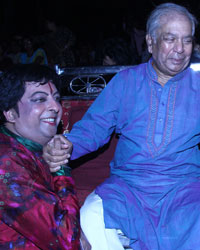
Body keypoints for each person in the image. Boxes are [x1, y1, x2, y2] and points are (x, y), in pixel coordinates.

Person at [43, 3, 200, 250]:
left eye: (187, 40)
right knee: (90, 219)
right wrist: (67, 145)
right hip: (128, 188)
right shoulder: (125, 81)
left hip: (184, 188)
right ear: (150, 42)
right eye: (170, 39)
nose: (180, 49)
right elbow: (94, 127)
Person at [0, 64, 80, 249]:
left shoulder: (27, 147)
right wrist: (60, 168)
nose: (55, 107)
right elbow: (68, 240)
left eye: (56, 98)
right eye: (39, 100)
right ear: (11, 113)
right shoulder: (7, 166)